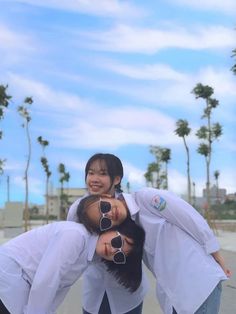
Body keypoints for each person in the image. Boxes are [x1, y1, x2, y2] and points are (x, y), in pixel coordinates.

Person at [76, 188, 232, 314]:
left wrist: (214, 251)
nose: (109, 214)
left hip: (198, 285)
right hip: (176, 297)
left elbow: (187, 215)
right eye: (104, 221)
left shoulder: (145, 199)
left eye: (104, 206)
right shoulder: (129, 233)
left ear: (106, 196)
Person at [0, 218, 145, 314]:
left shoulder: (88, 256)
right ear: (110, 229)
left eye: (119, 256)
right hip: (10, 275)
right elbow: (47, 280)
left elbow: (59, 288)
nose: (114, 250)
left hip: (20, 283)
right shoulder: (76, 236)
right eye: (118, 242)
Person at [67, 153, 149, 314]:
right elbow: (73, 248)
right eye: (91, 173)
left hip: (128, 295)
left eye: (102, 173)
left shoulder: (131, 207)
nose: (95, 178)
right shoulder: (78, 210)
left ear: (117, 179)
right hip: (94, 292)